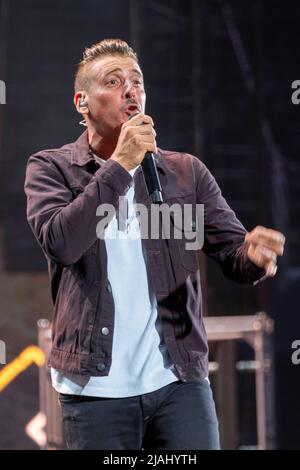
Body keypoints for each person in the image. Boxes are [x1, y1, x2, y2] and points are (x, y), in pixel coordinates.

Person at [24, 39, 285, 450]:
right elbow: (61, 242)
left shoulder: (185, 172)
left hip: (178, 383)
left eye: (136, 81)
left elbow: (233, 254)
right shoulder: (52, 169)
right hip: (95, 391)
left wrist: (253, 256)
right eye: (114, 81)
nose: (131, 91)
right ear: (82, 102)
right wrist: (120, 166)